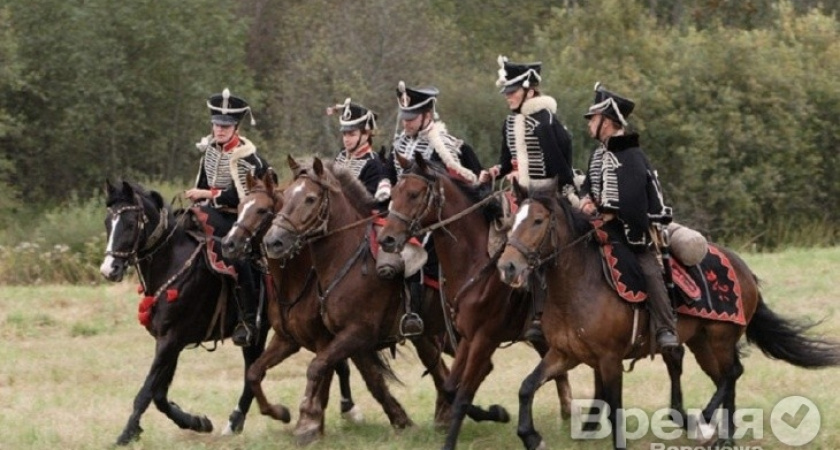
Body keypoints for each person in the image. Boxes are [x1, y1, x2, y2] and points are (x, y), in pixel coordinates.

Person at [479, 55, 577, 342]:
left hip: (547, 195)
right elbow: (507, 161)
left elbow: (561, 165)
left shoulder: (545, 122)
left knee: (534, 243)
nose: (508, 97)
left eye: (513, 91)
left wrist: (560, 193)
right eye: (506, 92)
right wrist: (494, 171)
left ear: (530, 90)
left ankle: (539, 314)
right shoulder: (510, 123)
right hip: (520, 194)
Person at [578, 82, 679, 350]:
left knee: (648, 268)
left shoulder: (631, 155)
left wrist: (609, 215)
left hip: (633, 231)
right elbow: (589, 184)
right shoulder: (599, 154)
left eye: (593, 119)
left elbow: (634, 202)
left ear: (608, 122)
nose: (589, 123)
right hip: (600, 224)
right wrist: (586, 199)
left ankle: (665, 327)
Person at [378, 81, 483, 336]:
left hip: (439, 221)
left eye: (411, 118)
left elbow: (472, 180)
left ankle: (417, 312)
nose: (406, 123)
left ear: (427, 115)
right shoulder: (401, 144)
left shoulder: (447, 145)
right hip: (406, 213)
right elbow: (391, 172)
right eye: (404, 118)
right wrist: (384, 185)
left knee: (416, 254)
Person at [186, 88, 271, 347]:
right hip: (208, 212)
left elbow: (241, 196)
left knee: (239, 257)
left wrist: (206, 194)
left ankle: (246, 318)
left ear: (236, 127)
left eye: (226, 126)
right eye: (216, 125)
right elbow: (202, 182)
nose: (219, 130)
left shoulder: (249, 158)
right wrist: (198, 197)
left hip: (239, 220)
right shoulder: (210, 152)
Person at [326, 98, 388, 210]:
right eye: (344, 134)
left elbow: (370, 205)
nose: (346, 139)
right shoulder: (341, 156)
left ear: (366, 134)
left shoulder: (374, 163)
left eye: (351, 134)